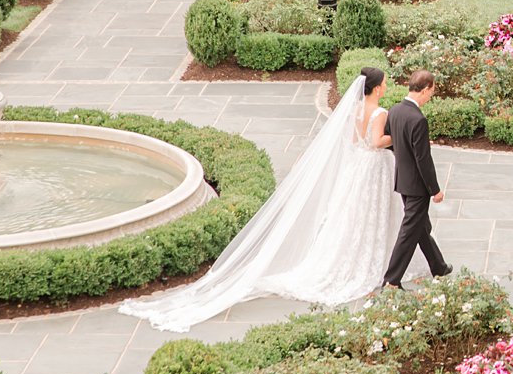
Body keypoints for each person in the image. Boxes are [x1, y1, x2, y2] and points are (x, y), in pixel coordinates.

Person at [119, 67, 429, 332]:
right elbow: (376, 142)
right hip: (373, 167)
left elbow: (352, 140)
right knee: (368, 215)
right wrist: (396, 137)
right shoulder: (380, 112)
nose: (388, 85)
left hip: (356, 166)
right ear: (376, 88)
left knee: (349, 215)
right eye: (385, 82)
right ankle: (370, 263)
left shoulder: (353, 110)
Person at [382, 69, 451, 288]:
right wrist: (435, 190)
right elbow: (423, 160)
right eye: (432, 91)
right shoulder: (418, 119)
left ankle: (438, 266)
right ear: (425, 89)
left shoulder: (395, 110)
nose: (431, 96)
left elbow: (390, 140)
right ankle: (391, 281)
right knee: (409, 232)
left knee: (420, 227)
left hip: (402, 180)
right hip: (417, 186)